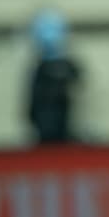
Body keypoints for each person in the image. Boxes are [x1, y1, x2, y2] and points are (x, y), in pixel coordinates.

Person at [26, 9, 82, 144]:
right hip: (44, 132)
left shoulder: (69, 67)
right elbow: (32, 103)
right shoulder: (39, 70)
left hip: (64, 131)